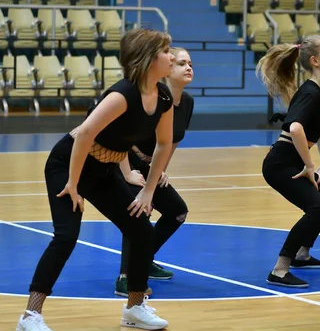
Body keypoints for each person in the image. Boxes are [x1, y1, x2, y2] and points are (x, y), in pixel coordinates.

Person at [17, 28, 174, 331]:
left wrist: (148, 191)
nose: (172, 56)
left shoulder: (163, 96)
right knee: (66, 236)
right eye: (167, 51)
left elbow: (164, 144)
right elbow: (85, 134)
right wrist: (73, 185)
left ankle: (134, 308)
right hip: (68, 166)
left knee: (140, 229)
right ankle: (29, 316)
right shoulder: (122, 94)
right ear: (148, 58)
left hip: (105, 170)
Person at [256, 36, 320, 288]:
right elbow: (295, 128)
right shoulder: (309, 92)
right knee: (317, 207)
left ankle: (302, 254)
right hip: (281, 164)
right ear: (315, 61)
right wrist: (310, 165)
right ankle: (280, 270)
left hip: (295, 162)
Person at [115, 47, 195, 297]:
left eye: (190, 63)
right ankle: (126, 277)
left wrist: (160, 171)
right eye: (182, 63)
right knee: (139, 212)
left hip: (150, 166)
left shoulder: (187, 102)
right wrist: (130, 174)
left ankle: (145, 259)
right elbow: (120, 139)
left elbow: (171, 141)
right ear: (167, 70)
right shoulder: (151, 96)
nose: (189, 67)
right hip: (122, 160)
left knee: (177, 211)